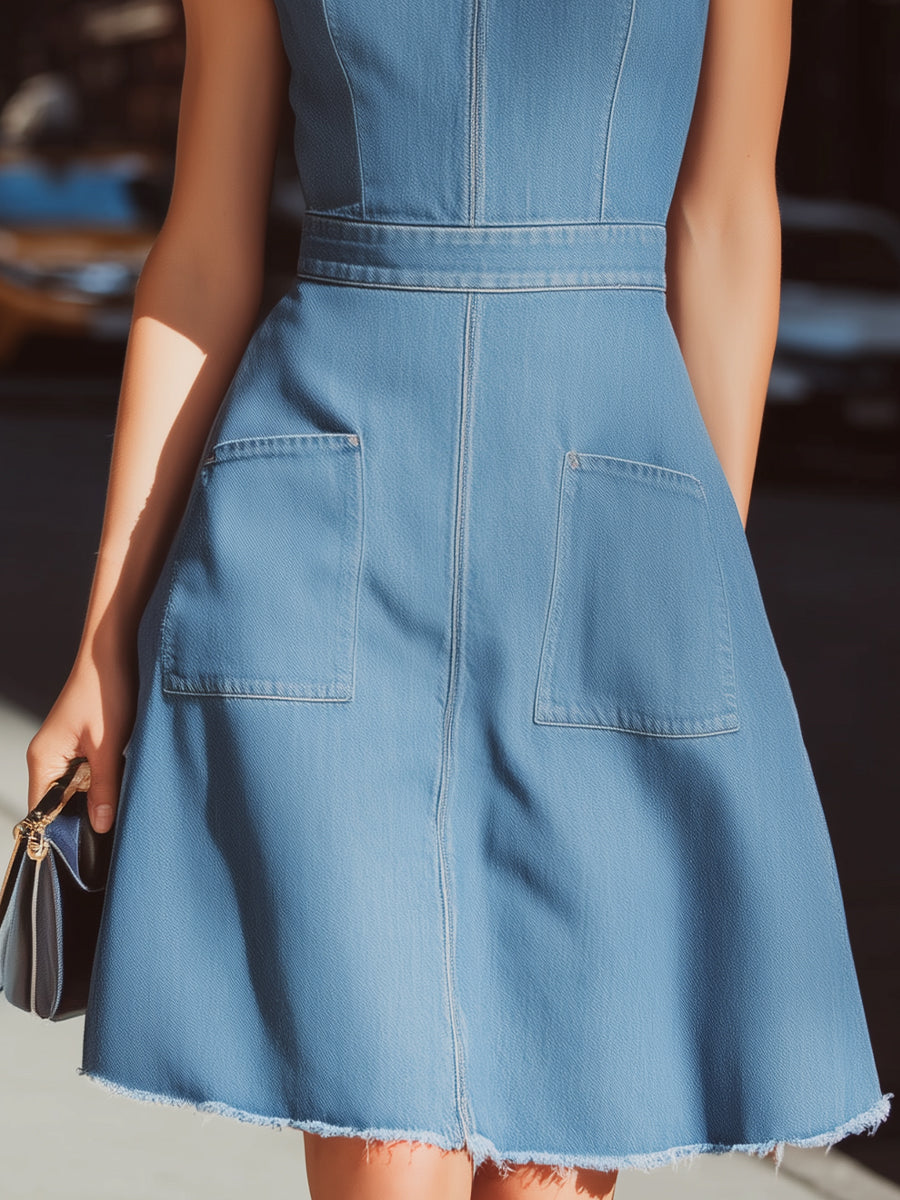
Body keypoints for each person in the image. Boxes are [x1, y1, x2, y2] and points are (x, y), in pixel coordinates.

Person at [27, 1, 890, 1198]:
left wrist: (698, 566)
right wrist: (103, 636)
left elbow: (730, 215)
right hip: (322, 531)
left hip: (610, 550)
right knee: (384, 1140)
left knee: (556, 1147)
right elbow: (206, 251)